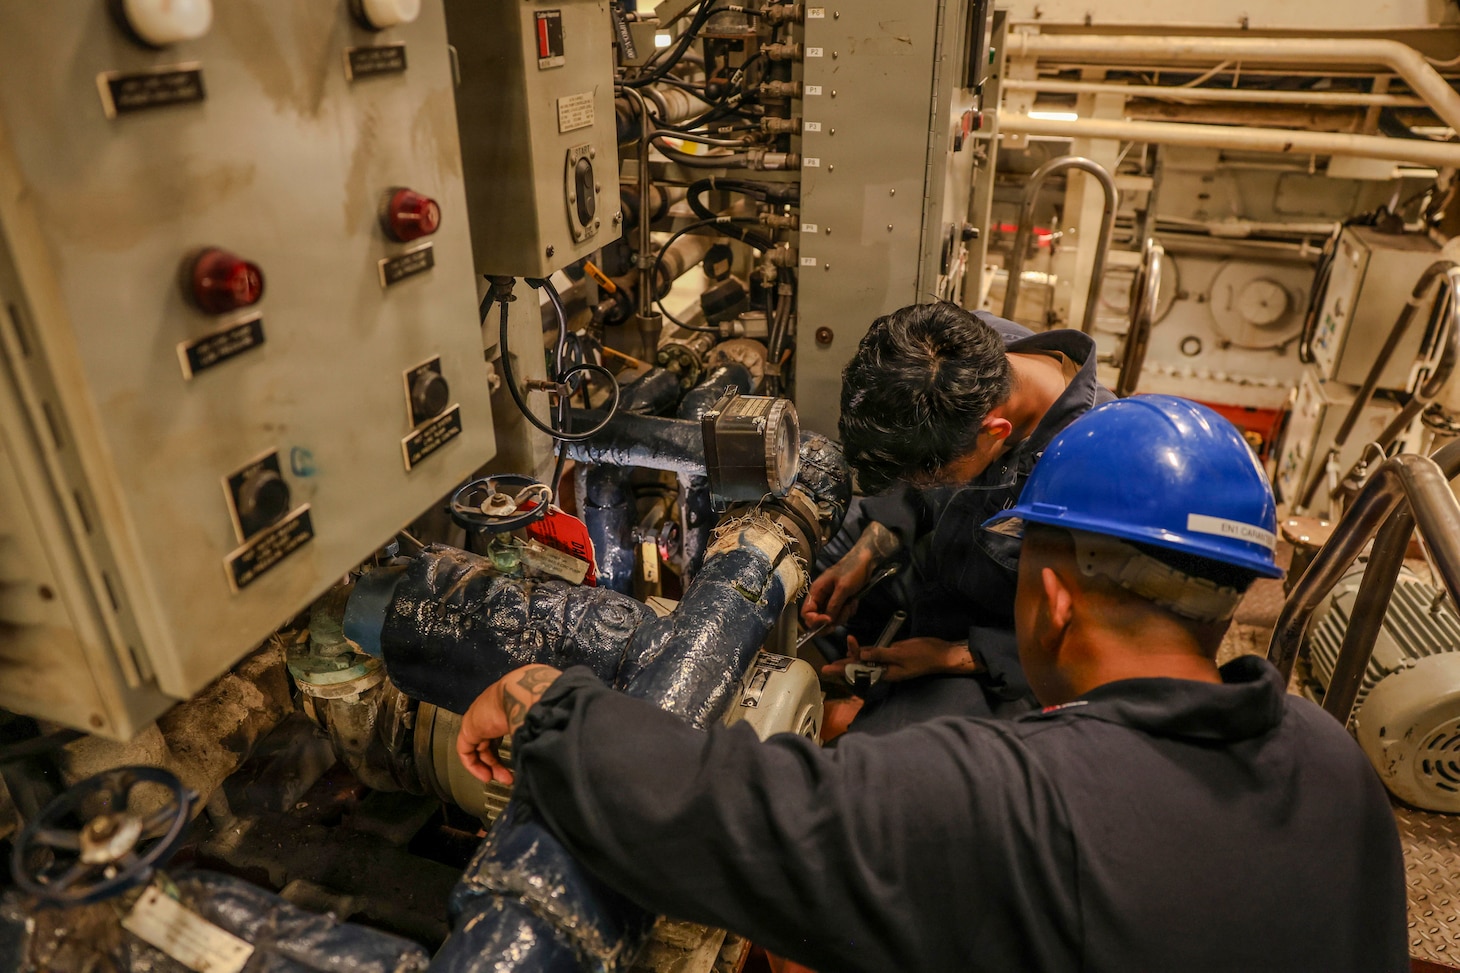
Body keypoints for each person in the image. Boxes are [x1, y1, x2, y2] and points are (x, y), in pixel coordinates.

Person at [456, 396, 1408, 973]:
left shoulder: (1026, 801)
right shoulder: (1334, 761)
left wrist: (549, 703)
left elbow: (731, 810)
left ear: (1052, 596)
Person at [802, 301, 1114, 733]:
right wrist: (865, 556)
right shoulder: (950, 350)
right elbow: (912, 490)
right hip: (932, 565)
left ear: (995, 433)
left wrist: (951, 656)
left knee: (894, 748)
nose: (921, 483)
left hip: (1000, 640)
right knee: (799, 553)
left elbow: (1090, 637)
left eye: (933, 475)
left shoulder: (1097, 469)